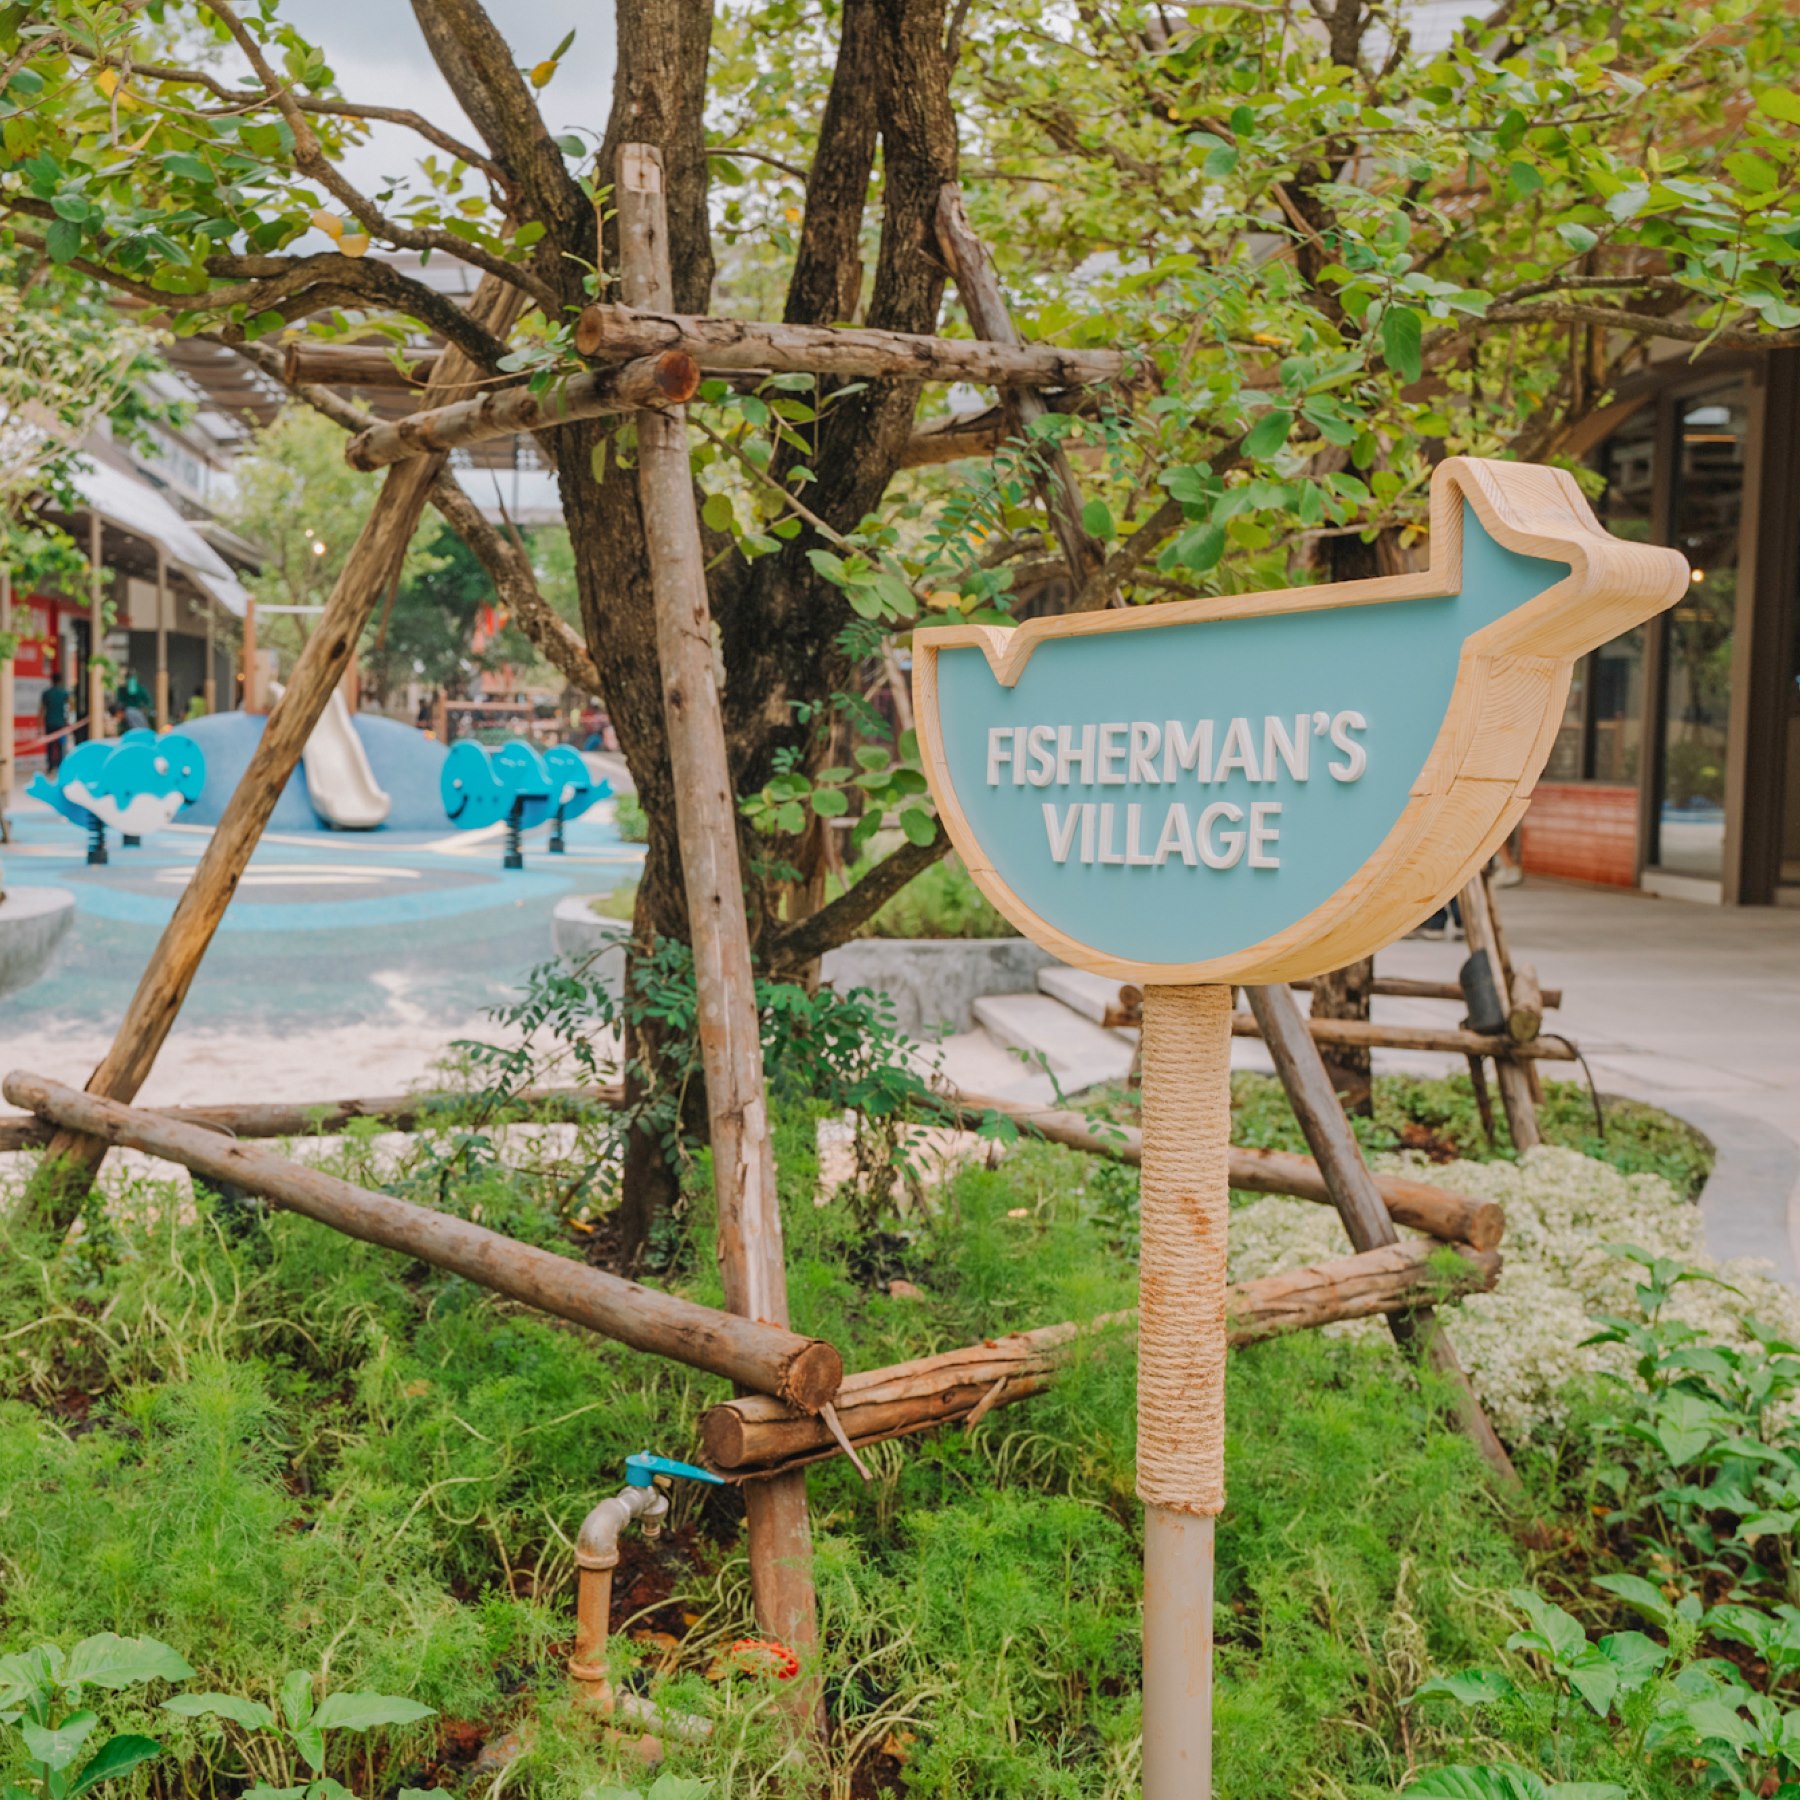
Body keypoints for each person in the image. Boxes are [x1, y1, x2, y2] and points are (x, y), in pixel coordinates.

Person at [40, 670, 70, 774]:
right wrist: (67, 721)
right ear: (60, 681)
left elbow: (42, 710)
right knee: (60, 746)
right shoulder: (64, 693)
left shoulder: (47, 693)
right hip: (60, 723)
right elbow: (68, 708)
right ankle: (60, 765)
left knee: (49, 745)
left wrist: (39, 725)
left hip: (49, 722)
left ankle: (50, 766)